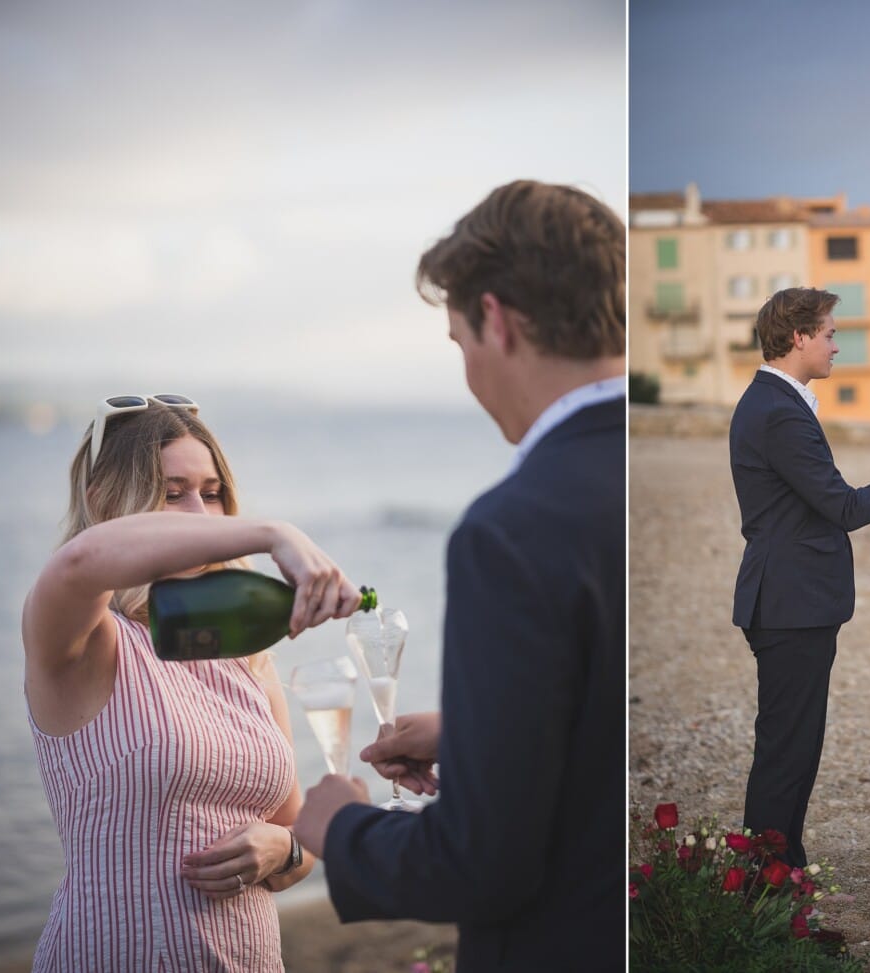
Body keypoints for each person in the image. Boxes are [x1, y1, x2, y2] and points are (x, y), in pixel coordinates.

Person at [293, 180, 625, 972]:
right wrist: (476, 735)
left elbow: (480, 865)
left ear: (497, 320)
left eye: (458, 342)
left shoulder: (509, 529)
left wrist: (342, 827)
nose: (469, 374)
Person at [22, 394, 365, 972]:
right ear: (103, 502)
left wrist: (284, 850)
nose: (200, 516)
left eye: (211, 493)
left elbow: (294, 836)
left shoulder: (246, 657)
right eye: (171, 492)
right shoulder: (79, 642)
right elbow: (82, 563)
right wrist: (275, 533)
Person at [729, 287, 870, 867]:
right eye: (830, 334)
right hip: (790, 603)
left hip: (792, 600)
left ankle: (782, 872)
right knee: (787, 751)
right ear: (798, 336)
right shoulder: (779, 411)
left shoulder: (775, 402)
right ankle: (763, 882)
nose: (837, 346)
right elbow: (844, 507)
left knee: (795, 746)